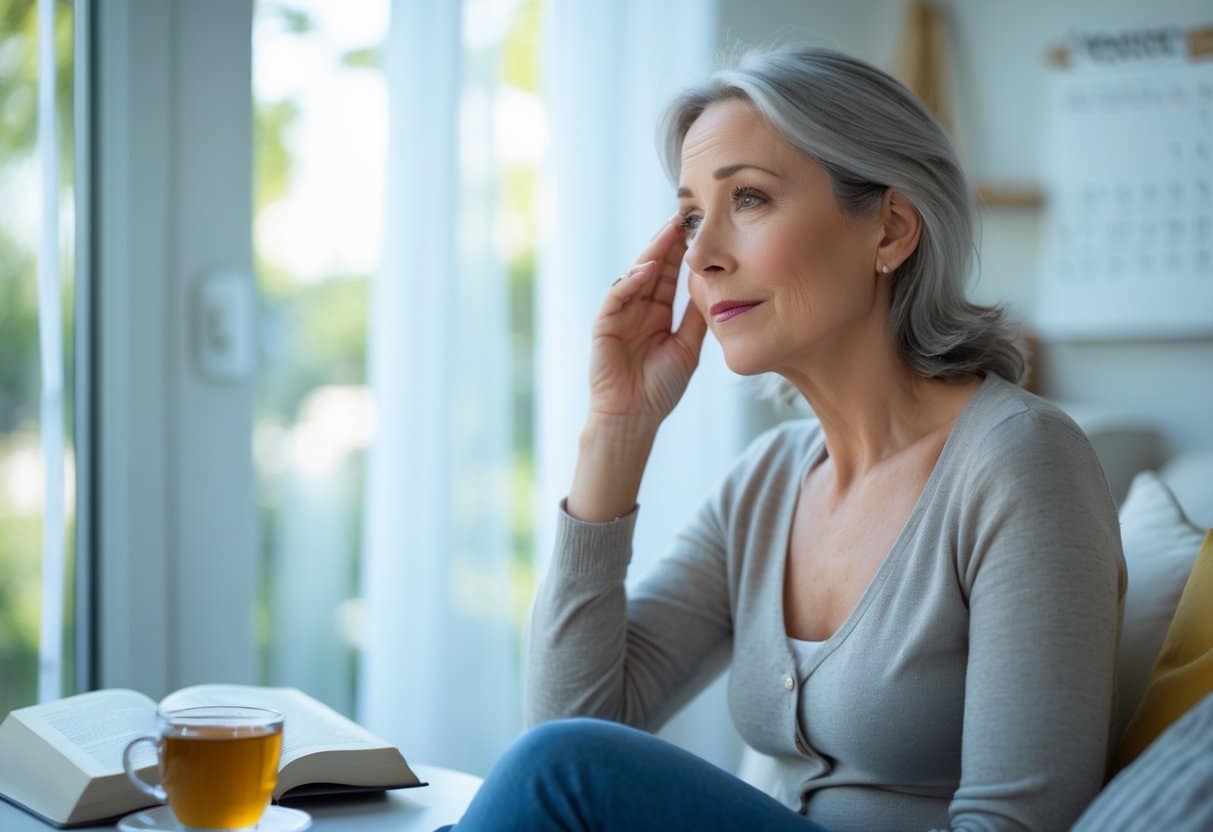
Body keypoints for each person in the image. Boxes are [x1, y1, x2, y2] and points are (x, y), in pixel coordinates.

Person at [440, 46, 1126, 832]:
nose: (701, 255)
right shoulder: (766, 483)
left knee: (558, 772)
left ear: (892, 230)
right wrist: (615, 430)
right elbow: (584, 711)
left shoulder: (1020, 462)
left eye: (751, 199)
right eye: (692, 216)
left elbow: (1019, 825)